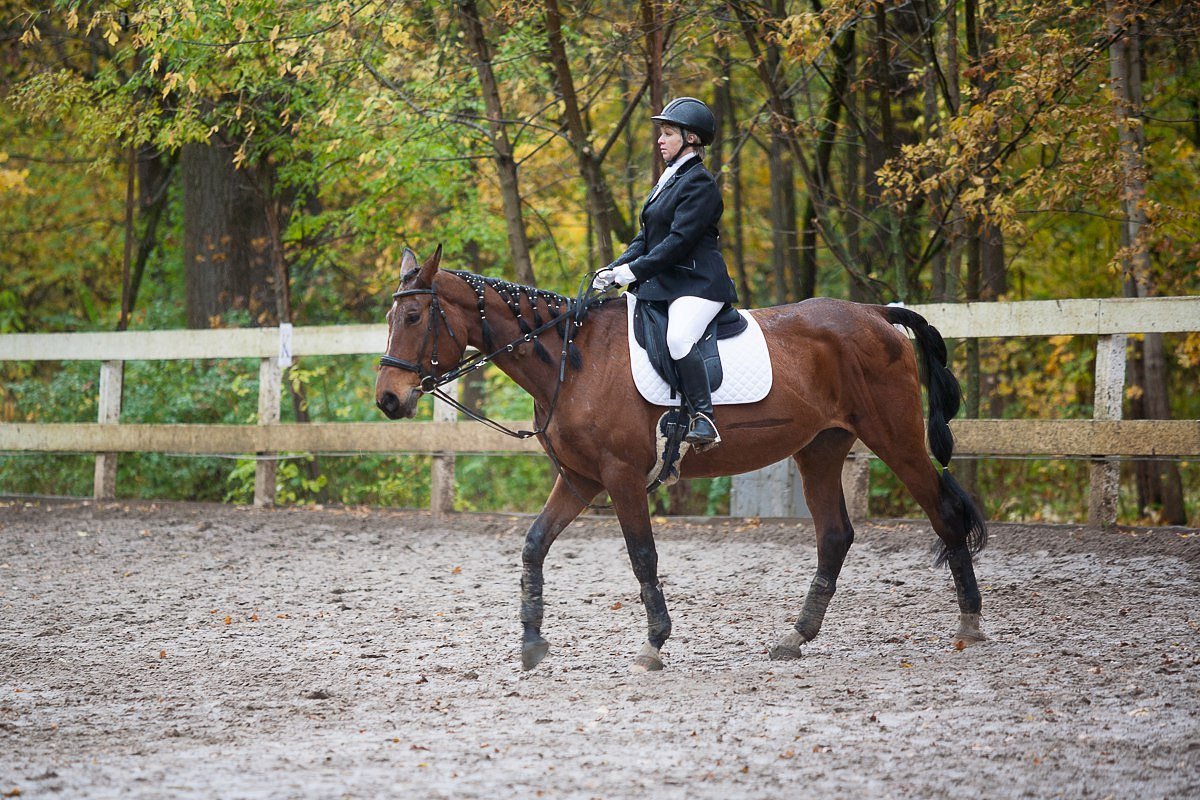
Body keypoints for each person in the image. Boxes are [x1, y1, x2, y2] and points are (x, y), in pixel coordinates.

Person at [593, 96, 739, 448]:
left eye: (668, 133)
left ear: (691, 139)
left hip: (699, 285)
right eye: (661, 132)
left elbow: (677, 242)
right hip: (671, 283)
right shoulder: (669, 180)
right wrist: (613, 269)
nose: (660, 140)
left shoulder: (700, 184)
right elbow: (646, 237)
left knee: (678, 338)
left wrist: (633, 273)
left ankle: (704, 417)